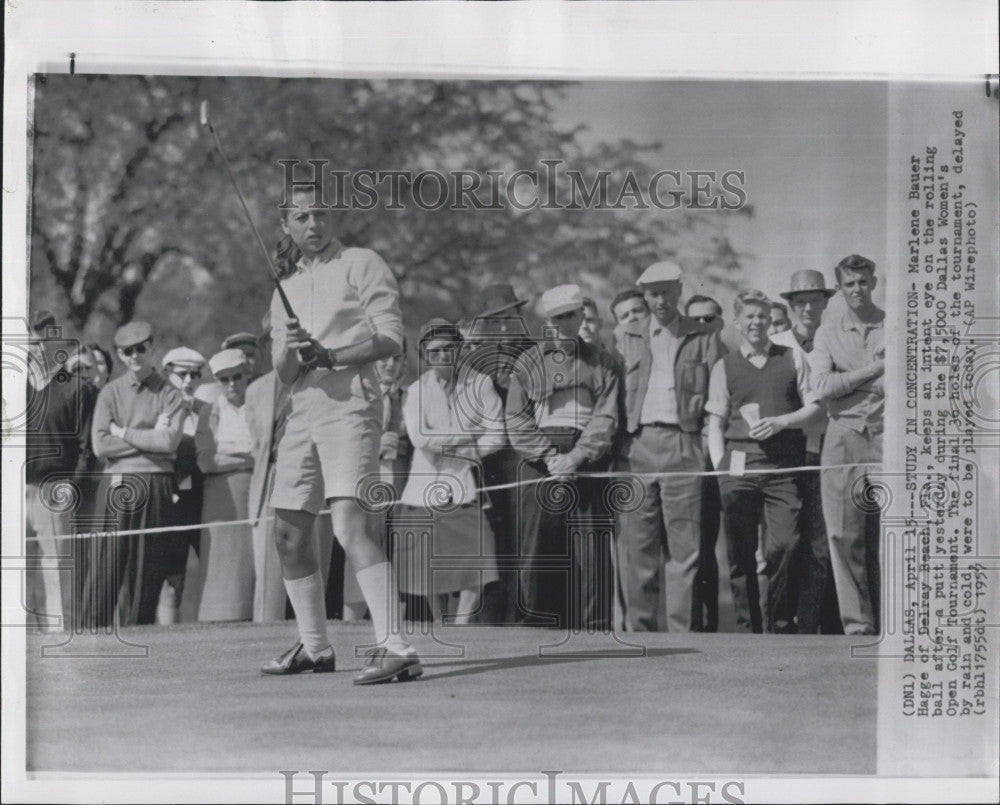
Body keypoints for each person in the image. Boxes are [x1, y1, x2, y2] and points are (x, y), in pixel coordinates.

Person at [260, 185, 420, 683]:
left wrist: (331, 355)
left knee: (351, 526)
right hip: (302, 408)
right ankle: (314, 647)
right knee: (287, 533)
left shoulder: (361, 262)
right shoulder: (283, 283)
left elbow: (392, 336)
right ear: (286, 226)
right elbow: (284, 372)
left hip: (351, 403)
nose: (313, 224)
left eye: (321, 214)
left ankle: (397, 647)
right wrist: (297, 348)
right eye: (302, 217)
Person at [614, 261, 725, 632]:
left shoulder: (703, 336)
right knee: (639, 551)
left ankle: (684, 643)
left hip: (684, 444)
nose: (659, 299)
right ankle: (641, 638)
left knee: (685, 551)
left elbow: (717, 396)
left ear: (679, 290)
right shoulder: (625, 336)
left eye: (666, 291)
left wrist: (708, 447)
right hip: (638, 446)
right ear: (644, 296)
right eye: (652, 293)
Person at [706, 289, 822, 633]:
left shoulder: (792, 358)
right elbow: (715, 421)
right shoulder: (724, 366)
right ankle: (747, 627)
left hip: (783, 470)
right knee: (740, 555)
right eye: (750, 316)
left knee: (785, 546)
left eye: (763, 316)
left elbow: (815, 407)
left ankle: (779, 623)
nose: (757, 323)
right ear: (738, 321)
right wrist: (720, 471)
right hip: (738, 469)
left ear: (770, 320)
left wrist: (782, 422)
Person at [506, 284, 620, 630]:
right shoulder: (528, 362)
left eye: (565, 318)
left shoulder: (602, 361)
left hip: (587, 457)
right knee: (538, 547)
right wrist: (550, 456)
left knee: (591, 550)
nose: (557, 326)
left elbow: (606, 417)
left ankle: (592, 631)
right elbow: (516, 418)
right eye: (551, 320)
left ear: (579, 317)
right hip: (541, 458)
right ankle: (537, 627)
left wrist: (577, 457)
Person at [393, 319, 504, 623]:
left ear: (459, 350)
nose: (442, 356)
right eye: (435, 351)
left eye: (449, 349)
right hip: (423, 489)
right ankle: (441, 623)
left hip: (466, 485)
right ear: (426, 355)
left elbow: (497, 435)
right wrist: (467, 435)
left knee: (477, 565)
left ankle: (461, 625)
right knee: (427, 568)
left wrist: (461, 450)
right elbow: (419, 439)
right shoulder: (416, 390)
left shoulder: (481, 384)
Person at [89, 320, 187, 627]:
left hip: (156, 484)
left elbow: (168, 441)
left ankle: (139, 638)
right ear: (119, 355)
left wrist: (124, 432)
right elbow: (100, 445)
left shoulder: (170, 394)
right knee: (105, 568)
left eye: (140, 349)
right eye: (127, 351)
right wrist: (149, 441)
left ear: (151, 348)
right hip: (117, 484)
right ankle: (94, 639)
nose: (134, 356)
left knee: (145, 572)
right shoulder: (110, 393)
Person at [810, 254, 885, 636]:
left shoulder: (896, 325)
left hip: (890, 438)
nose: (857, 290)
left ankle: (901, 621)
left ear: (875, 281)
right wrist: (874, 370)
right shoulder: (826, 332)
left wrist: (848, 381)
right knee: (844, 534)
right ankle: (859, 626)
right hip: (842, 438)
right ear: (839, 289)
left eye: (863, 282)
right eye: (849, 284)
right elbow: (821, 388)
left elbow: (906, 385)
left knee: (894, 533)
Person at [244, 317, 335, 623]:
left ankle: (312, 642)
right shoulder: (256, 389)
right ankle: (265, 640)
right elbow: (257, 445)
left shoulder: (320, 378)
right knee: (269, 580)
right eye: (273, 339)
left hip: (312, 478)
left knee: (312, 565)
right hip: (270, 481)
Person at [771, 269, 840, 634]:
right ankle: (778, 627)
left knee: (818, 544)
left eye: (815, 300)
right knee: (782, 545)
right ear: (791, 305)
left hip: (824, 451)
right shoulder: (777, 342)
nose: (808, 307)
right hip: (782, 454)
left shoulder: (836, 340)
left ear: (826, 302)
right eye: (801, 301)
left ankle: (811, 628)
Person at [461, 283, 532, 624]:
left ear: (520, 316)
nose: (504, 327)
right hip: (488, 467)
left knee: (528, 546)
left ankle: (526, 618)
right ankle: (490, 625)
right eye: (495, 320)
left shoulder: (538, 353)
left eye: (510, 318)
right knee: (492, 547)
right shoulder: (475, 362)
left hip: (529, 461)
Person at [24, 310, 98, 631]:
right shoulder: (12, 389)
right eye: (32, 336)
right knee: (17, 569)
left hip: (54, 487)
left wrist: (74, 483)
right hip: (15, 489)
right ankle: (22, 637)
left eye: (44, 335)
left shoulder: (74, 387)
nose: (38, 343)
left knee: (54, 565)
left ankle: (58, 635)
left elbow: (87, 446)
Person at [343, 337, 412, 621]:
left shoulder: (411, 397)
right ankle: (350, 625)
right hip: (366, 491)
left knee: (399, 567)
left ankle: (391, 634)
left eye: (397, 358)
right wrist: (375, 444)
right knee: (361, 561)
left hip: (403, 492)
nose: (390, 364)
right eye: (385, 358)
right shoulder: (359, 395)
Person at [195, 349, 256, 621]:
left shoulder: (259, 406)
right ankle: (218, 620)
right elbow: (206, 462)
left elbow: (266, 453)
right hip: (221, 499)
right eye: (224, 379)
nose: (232, 384)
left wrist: (231, 454)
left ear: (247, 375)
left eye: (237, 377)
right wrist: (246, 457)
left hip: (255, 495)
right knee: (220, 565)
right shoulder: (210, 411)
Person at [683, 294, 725, 632]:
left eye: (708, 319)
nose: (701, 327)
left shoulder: (732, 358)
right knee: (689, 541)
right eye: (694, 321)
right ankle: (692, 622)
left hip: (723, 457)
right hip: (687, 455)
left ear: (721, 322)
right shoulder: (680, 359)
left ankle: (713, 621)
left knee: (712, 542)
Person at [160, 346, 208, 623]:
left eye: (194, 374)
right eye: (182, 374)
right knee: (172, 578)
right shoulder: (161, 407)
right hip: (172, 498)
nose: (188, 380)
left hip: (203, 498)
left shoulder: (204, 410)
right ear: (168, 373)